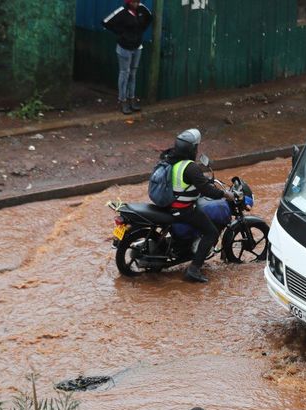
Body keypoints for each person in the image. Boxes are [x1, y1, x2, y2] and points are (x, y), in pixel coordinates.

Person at [163, 128, 234, 283]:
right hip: (184, 210)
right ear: (192, 149)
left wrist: (203, 182)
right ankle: (193, 270)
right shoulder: (191, 167)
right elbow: (207, 190)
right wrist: (224, 194)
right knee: (212, 232)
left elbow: (189, 184)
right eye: (196, 147)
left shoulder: (175, 163)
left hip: (171, 205)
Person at [102, 1, 153, 115]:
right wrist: (122, 33)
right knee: (124, 73)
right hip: (124, 47)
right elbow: (106, 22)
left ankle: (131, 99)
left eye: (137, 1)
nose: (137, 3)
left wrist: (140, 32)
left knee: (133, 74)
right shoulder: (122, 11)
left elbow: (150, 18)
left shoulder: (142, 9)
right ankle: (123, 100)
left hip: (137, 46)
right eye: (134, 1)